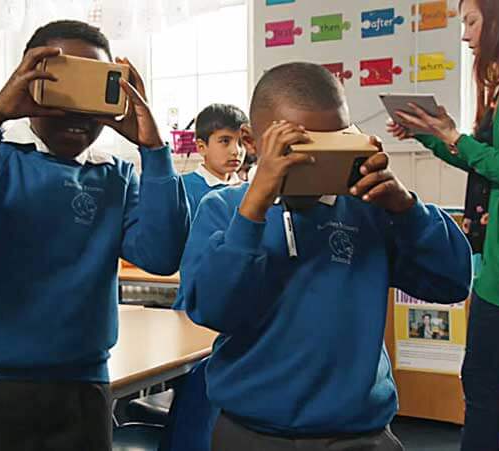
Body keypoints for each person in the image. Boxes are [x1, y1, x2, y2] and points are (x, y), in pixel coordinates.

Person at [0, 20, 190, 451]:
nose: (75, 113)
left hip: (82, 392)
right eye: (59, 87)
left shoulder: (115, 175)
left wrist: (154, 149)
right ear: (28, 85)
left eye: (92, 91)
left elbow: (163, 254)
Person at [182, 62, 473, 450]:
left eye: (335, 142)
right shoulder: (224, 209)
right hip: (252, 432)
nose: (317, 161)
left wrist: (406, 209)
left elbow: (451, 281)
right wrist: (254, 208)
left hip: (359, 435)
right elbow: (211, 310)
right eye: (298, 147)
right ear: (253, 142)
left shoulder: (368, 208)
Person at [387, 0, 499, 447]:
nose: (466, 35)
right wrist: (433, 135)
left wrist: (453, 137)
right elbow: (491, 163)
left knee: (482, 384)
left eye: (472, 22)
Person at [182, 104, 248, 218]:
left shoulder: (248, 191)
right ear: (201, 147)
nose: (236, 151)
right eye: (225, 141)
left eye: (241, 143)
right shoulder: (183, 189)